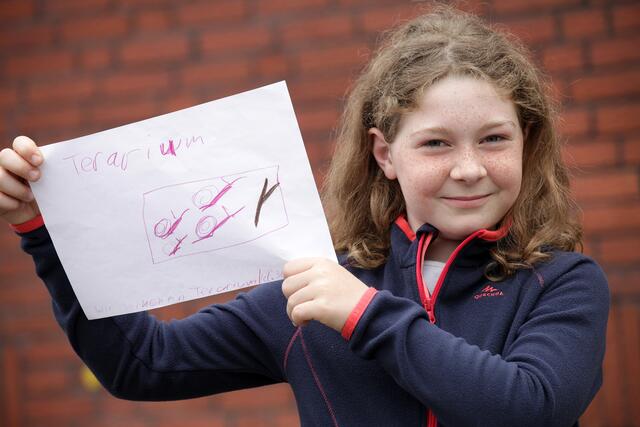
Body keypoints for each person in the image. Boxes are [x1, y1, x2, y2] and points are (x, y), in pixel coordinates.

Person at [0, 6, 608, 427]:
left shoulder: (563, 282)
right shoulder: (318, 288)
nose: (469, 168)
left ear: (527, 142)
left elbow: (529, 410)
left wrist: (364, 316)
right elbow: (144, 364)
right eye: (436, 144)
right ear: (384, 154)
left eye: (495, 139)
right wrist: (47, 234)